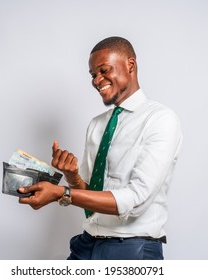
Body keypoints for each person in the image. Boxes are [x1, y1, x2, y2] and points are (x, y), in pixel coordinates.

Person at [18, 36, 183, 260]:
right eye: (93, 75)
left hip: (132, 250)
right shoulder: (97, 125)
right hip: (86, 244)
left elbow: (136, 200)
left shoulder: (161, 120)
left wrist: (62, 193)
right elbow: (90, 193)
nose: (97, 80)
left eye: (104, 70)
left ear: (130, 65)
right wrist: (73, 176)